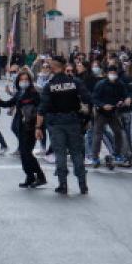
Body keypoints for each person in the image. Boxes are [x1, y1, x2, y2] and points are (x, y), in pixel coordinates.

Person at [36, 55, 90, 195]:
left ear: (55, 66)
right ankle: (82, 184)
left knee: (60, 154)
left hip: (56, 123)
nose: (49, 67)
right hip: (73, 121)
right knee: (76, 153)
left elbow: (42, 108)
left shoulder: (50, 86)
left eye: (51, 65)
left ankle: (63, 184)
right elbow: (87, 99)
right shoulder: (75, 82)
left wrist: (37, 128)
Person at [1, 68, 47, 188]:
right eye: (22, 79)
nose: (24, 81)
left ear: (30, 81)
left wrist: (39, 127)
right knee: (23, 153)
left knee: (27, 153)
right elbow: (8, 103)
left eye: (26, 79)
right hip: (21, 126)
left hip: (31, 127)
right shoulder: (19, 93)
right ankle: (30, 176)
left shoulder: (34, 93)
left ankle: (40, 176)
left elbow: (40, 111)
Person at [89, 64, 132, 167]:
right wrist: (103, 105)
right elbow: (94, 98)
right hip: (101, 113)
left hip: (114, 112)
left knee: (118, 132)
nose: (113, 75)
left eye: (114, 73)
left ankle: (117, 153)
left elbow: (125, 94)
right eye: (111, 73)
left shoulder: (120, 84)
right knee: (98, 135)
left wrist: (126, 98)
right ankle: (95, 157)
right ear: (107, 74)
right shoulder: (101, 84)